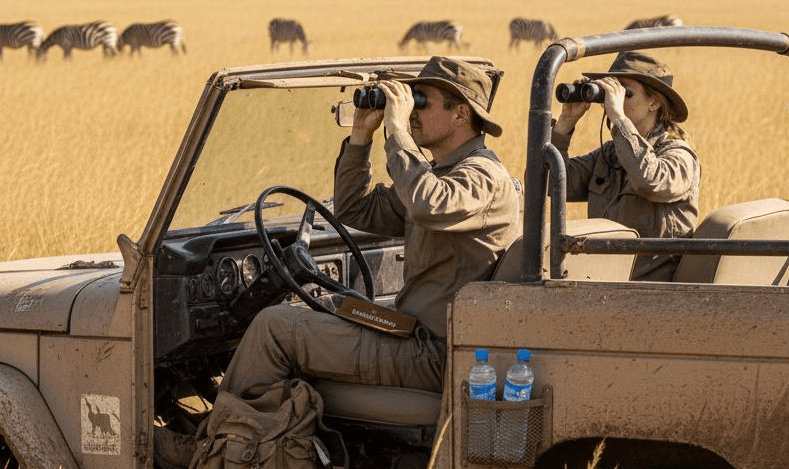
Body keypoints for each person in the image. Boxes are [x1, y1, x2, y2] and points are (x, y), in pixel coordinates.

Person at [218, 56, 521, 399]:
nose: (412, 111)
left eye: (421, 102)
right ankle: (275, 436)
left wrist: (397, 130)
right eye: (411, 101)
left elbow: (428, 203)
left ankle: (221, 442)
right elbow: (355, 210)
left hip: (436, 353)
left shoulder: (483, 176)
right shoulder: (440, 174)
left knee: (273, 328)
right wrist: (361, 138)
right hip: (412, 332)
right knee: (319, 306)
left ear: (461, 114)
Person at [552, 50, 700, 281]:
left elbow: (648, 180)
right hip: (605, 284)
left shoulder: (678, 156)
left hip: (654, 293)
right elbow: (552, 185)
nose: (615, 101)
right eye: (612, 92)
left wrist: (619, 119)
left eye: (626, 93)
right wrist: (564, 125)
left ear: (654, 103)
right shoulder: (609, 155)